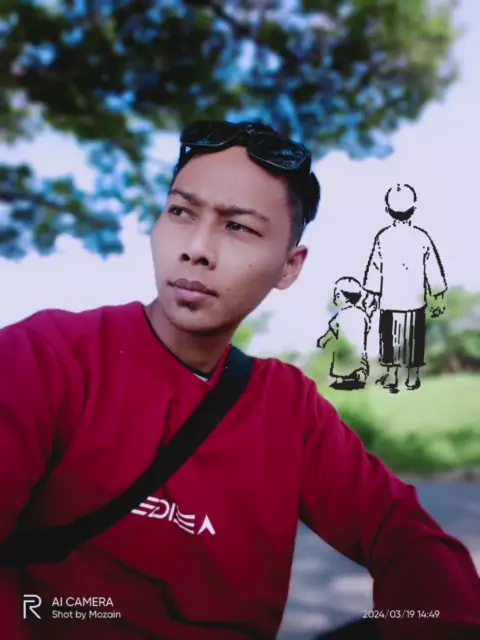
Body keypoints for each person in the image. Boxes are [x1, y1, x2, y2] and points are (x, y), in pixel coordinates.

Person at [0, 121, 478, 640]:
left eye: (238, 227)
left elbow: (404, 535)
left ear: (288, 267)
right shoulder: (45, 357)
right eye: (181, 212)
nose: (196, 248)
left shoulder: (289, 408)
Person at [363, 183, 448, 393]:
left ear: (387, 210)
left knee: (389, 341)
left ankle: (392, 376)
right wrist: (437, 295)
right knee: (414, 341)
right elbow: (433, 269)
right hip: (415, 301)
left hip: (389, 301)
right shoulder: (422, 237)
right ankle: (412, 377)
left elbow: (374, 269)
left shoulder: (383, 237)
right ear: (414, 209)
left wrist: (371, 295)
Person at [316, 276, 370, 390]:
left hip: (351, 350)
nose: (336, 297)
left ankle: (351, 377)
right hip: (350, 351)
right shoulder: (354, 314)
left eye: (338, 295)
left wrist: (324, 340)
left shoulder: (350, 315)